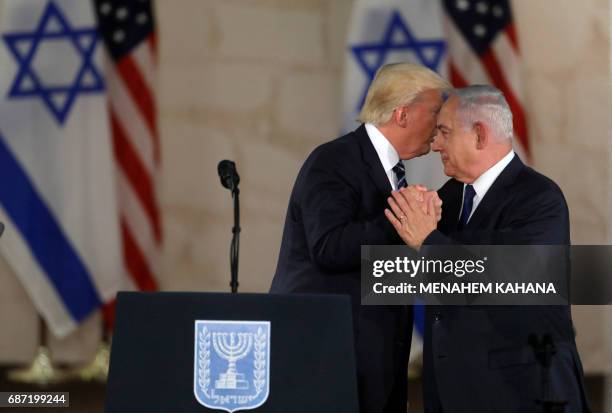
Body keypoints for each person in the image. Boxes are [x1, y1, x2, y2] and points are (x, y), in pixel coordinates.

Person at [385, 85, 590, 412]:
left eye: (444, 132)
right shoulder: (447, 200)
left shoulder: (540, 199)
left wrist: (427, 241)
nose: (435, 144)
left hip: (523, 393)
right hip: (451, 394)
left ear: (480, 135)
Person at [269, 63, 450, 413]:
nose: (441, 126)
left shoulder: (390, 171)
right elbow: (328, 247)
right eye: (435, 113)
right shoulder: (334, 161)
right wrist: (402, 219)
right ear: (402, 114)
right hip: (325, 355)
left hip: (374, 357)